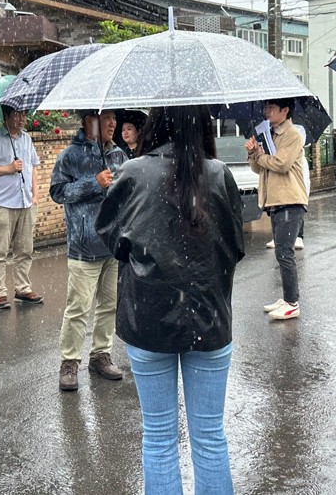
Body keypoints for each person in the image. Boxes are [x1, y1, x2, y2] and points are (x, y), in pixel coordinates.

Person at [96, 105, 245, 494]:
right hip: (210, 318)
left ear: (156, 125)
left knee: (159, 436)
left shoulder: (132, 173)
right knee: (210, 437)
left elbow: (112, 237)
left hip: (148, 318)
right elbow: (235, 244)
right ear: (203, 126)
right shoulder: (219, 174)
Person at [50, 109, 127, 391]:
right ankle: (69, 361)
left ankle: (100, 354)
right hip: (84, 247)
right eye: (106, 118)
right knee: (79, 308)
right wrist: (93, 183)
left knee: (109, 305)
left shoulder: (119, 155)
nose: (113, 123)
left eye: (114, 118)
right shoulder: (70, 156)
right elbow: (58, 192)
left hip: (112, 245)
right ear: (89, 121)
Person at [246, 98, 308, 320]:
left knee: (284, 253)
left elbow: (281, 164)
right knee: (281, 253)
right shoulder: (268, 134)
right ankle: (287, 298)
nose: (267, 111)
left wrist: (261, 156)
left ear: (285, 110)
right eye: (266, 107)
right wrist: (253, 153)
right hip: (274, 201)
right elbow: (259, 169)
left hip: (290, 200)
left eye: (271, 107)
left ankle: (292, 303)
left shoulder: (292, 135)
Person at [0, 105, 43, 309]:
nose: (22, 118)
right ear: (6, 116)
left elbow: (32, 168)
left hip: (25, 203)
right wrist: (8, 168)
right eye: (17, 114)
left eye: (24, 114)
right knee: (0, 252)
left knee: (25, 250)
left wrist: (35, 195)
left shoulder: (27, 139)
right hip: (2, 204)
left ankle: (23, 289)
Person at [266, 123, 309, 251]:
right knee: (276, 213)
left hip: (295, 193)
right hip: (278, 190)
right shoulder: (275, 133)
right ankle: (278, 237)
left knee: (295, 212)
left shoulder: (295, 133)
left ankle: (299, 236)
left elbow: (284, 165)